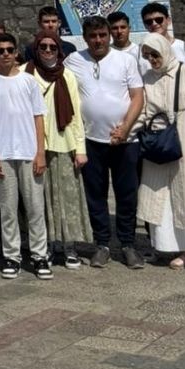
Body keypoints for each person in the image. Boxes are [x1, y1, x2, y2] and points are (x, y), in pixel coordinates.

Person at [65, 15, 145, 269]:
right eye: (92, 36)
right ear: (85, 38)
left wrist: (125, 128)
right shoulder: (73, 60)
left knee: (127, 194)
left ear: (109, 35)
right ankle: (102, 244)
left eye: (102, 35)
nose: (98, 40)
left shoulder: (126, 60)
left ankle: (128, 244)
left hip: (126, 140)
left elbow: (137, 97)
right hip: (91, 140)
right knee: (95, 194)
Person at [0, 33, 51, 279]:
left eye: (9, 49)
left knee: (35, 207)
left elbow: (38, 117)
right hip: (3, 153)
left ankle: (40, 255)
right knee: (8, 209)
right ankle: (12, 255)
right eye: (0, 50)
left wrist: (40, 152)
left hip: (29, 152)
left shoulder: (29, 81)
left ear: (16, 51)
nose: (6, 54)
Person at [25, 31, 89, 269]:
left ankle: (70, 245)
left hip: (63, 142)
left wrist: (80, 148)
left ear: (59, 50)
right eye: (43, 46)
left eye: (52, 47)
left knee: (68, 198)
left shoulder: (67, 75)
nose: (48, 51)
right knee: (41, 199)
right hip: (34, 145)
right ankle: (49, 244)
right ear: (36, 48)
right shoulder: (25, 74)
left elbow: (76, 114)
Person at [137, 34, 185, 268]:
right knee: (158, 195)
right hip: (158, 142)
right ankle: (165, 246)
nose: (152, 60)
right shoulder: (148, 78)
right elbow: (143, 112)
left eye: (155, 54)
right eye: (147, 56)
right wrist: (124, 132)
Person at [141, 2, 185, 69]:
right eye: (149, 22)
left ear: (168, 20)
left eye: (159, 20)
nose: (154, 24)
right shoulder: (142, 53)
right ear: (145, 25)